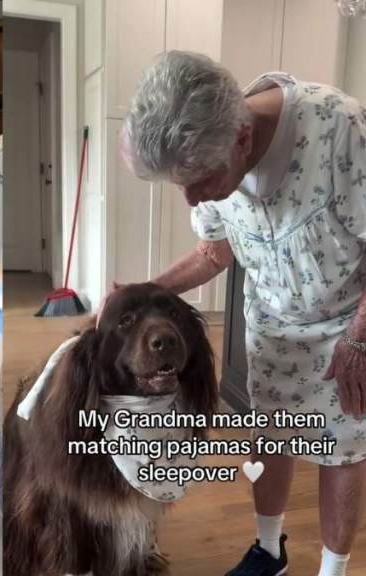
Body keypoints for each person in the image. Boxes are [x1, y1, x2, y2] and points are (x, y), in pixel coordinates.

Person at [121, 50, 366, 576]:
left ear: (242, 139)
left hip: (350, 324)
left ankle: (333, 570)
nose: (191, 200)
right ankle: (269, 551)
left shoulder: (340, 128)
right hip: (273, 325)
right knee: (273, 434)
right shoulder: (208, 151)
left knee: (342, 451)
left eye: (200, 182)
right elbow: (216, 250)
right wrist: (145, 290)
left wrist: (359, 340)